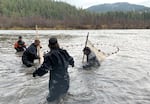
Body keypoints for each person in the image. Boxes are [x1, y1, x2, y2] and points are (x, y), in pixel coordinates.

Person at [32, 37, 74, 103]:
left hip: (56, 82)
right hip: (66, 80)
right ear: (57, 44)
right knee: (63, 96)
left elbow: (44, 69)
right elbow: (71, 60)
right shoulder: (64, 52)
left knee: (51, 100)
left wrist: (35, 73)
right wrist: (72, 64)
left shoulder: (49, 56)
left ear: (49, 45)